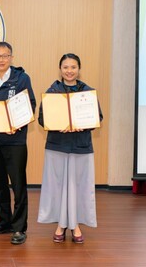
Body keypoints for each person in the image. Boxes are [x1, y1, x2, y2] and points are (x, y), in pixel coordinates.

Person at [37, 53, 103, 244]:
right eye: (65, 67)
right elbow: (43, 118)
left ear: (79, 69)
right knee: (57, 187)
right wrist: (58, 124)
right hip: (57, 145)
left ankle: (75, 225)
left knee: (79, 187)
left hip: (80, 146)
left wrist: (85, 124)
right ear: (60, 69)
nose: (69, 71)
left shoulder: (88, 92)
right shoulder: (52, 92)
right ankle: (60, 224)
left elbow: (97, 117)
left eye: (73, 67)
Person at [0, 42, 36, 245]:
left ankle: (19, 227)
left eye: (5, 56)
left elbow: (30, 105)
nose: (1, 59)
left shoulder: (21, 78)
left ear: (11, 57)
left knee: (18, 185)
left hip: (16, 141)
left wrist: (17, 124)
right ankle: (4, 222)